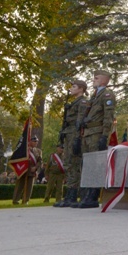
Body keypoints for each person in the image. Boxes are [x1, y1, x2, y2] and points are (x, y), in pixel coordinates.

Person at [75, 69, 116, 208]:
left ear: (104, 81)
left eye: (97, 78)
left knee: (95, 165)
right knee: (87, 165)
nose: (94, 80)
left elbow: (108, 117)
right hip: (87, 133)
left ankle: (92, 197)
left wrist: (105, 136)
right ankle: (86, 195)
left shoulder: (107, 95)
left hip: (97, 133)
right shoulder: (94, 96)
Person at [54, 79, 89, 207]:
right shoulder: (73, 102)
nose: (71, 89)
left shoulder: (83, 102)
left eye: (74, 87)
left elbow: (80, 122)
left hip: (75, 135)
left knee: (73, 163)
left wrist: (77, 139)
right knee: (68, 163)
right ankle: (69, 194)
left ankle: (73, 195)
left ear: (81, 89)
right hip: (69, 133)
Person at [12, 135, 42, 205]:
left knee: (29, 187)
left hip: (32, 171)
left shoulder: (38, 151)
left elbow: (40, 161)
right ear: (30, 141)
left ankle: (25, 200)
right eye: (34, 141)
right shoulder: (23, 149)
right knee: (19, 186)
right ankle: (15, 200)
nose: (36, 143)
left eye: (37, 141)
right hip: (23, 170)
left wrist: (35, 168)